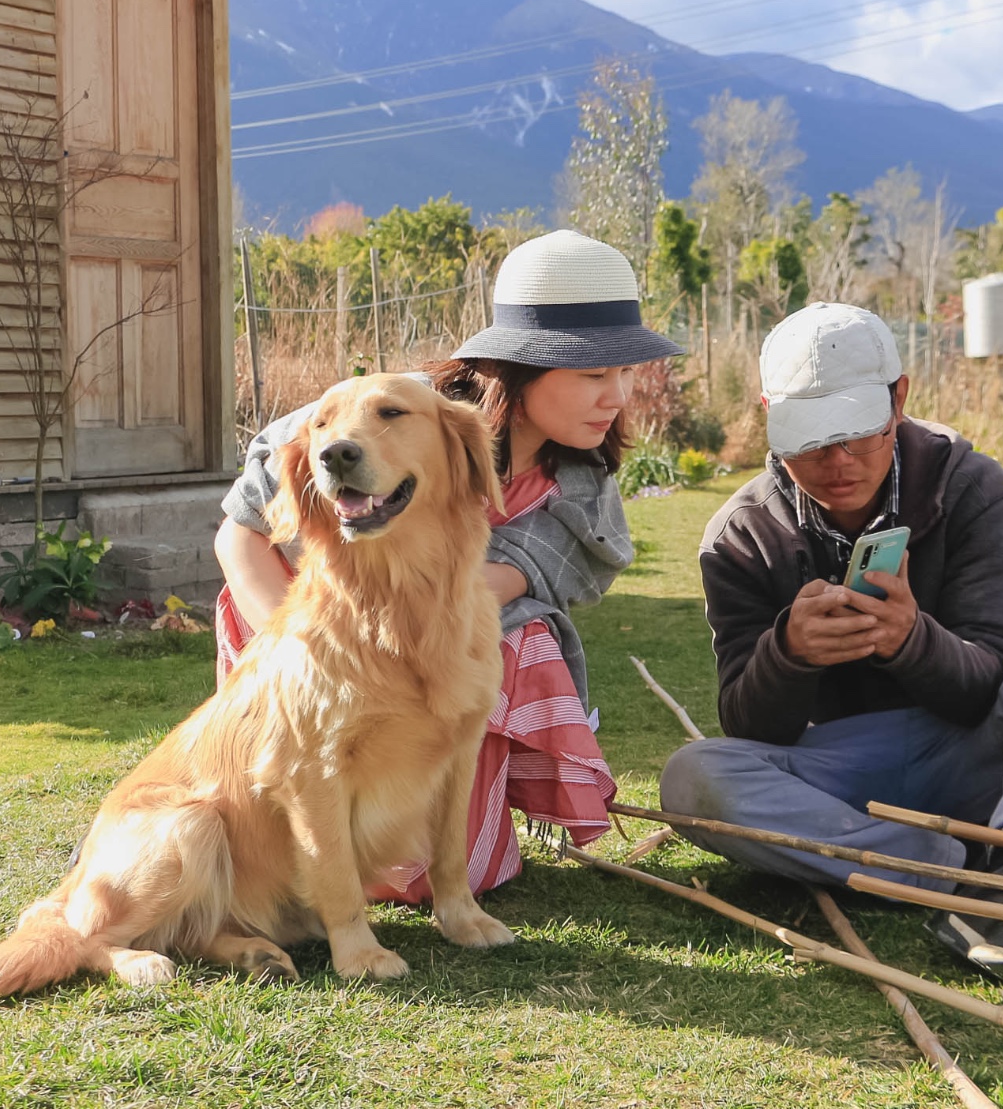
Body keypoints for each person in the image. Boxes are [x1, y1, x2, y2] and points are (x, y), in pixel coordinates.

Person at [659, 302, 1003, 999]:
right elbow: (751, 728)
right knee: (691, 778)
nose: (837, 463)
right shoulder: (740, 535)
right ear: (768, 414)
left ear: (900, 397)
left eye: (858, 433)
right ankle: (978, 871)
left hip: (974, 749)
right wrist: (788, 652)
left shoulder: (973, 487)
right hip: (842, 772)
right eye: (812, 439)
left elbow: (987, 680)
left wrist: (910, 639)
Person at [217, 229, 681, 901]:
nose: (615, 397)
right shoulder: (385, 413)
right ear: (521, 373)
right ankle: (235, 828)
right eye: (591, 375)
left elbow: (483, 591)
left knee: (522, 643)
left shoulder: (577, 489)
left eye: (620, 374)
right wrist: (292, 655)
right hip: (297, 641)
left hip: (431, 662)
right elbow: (237, 536)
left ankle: (420, 838)